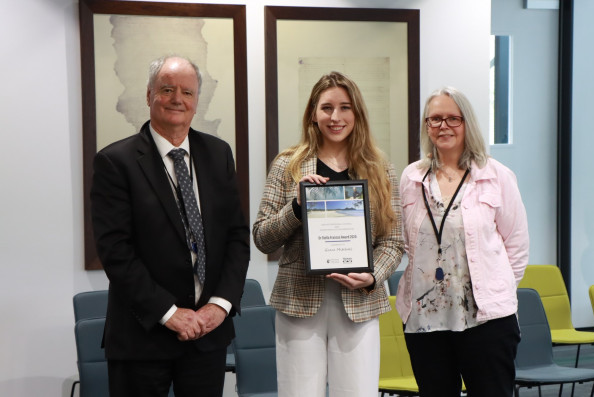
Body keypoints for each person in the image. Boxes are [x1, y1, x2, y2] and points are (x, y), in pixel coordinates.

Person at [91, 55, 250, 397]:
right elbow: (116, 252)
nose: (178, 98)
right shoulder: (114, 162)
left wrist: (219, 305)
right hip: (143, 335)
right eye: (167, 89)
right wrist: (169, 313)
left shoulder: (218, 154)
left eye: (187, 92)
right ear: (149, 96)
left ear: (196, 102)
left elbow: (237, 237)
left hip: (208, 335)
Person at [253, 71, 404, 397]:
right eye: (326, 108)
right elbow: (263, 237)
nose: (335, 117)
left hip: (359, 303)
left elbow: (393, 241)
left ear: (357, 113)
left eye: (345, 107)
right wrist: (295, 206)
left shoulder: (379, 166)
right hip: (299, 302)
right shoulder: (288, 165)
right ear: (313, 113)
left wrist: (373, 276)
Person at [395, 86, 529, 397]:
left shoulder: (496, 175)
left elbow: (517, 247)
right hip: (425, 319)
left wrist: (497, 290)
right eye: (435, 119)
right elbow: (403, 238)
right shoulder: (412, 178)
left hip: (486, 319)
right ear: (426, 126)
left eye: (453, 118)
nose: (443, 126)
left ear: (467, 123)